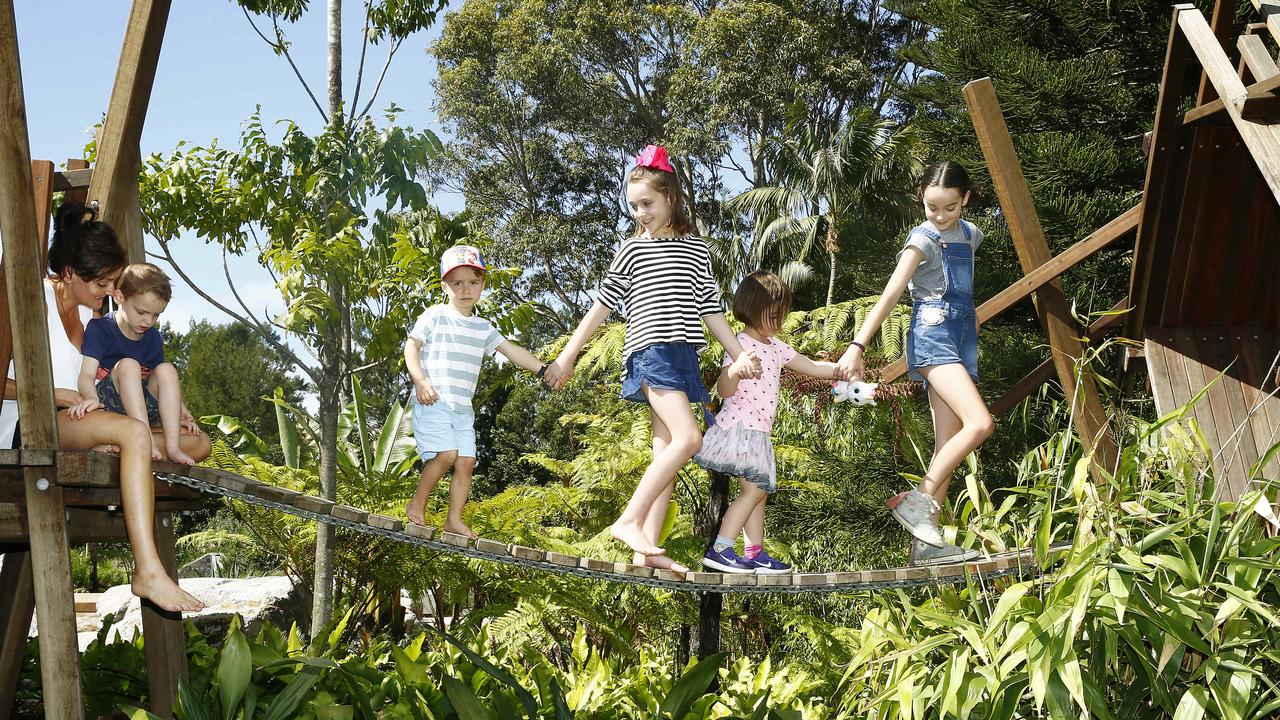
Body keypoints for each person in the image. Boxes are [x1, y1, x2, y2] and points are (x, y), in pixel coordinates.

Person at [545, 145, 762, 573]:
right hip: (651, 353)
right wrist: (568, 356)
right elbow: (600, 308)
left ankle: (646, 551)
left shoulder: (695, 250)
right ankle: (628, 521)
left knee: (666, 450)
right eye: (634, 206)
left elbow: (711, 312)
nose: (640, 212)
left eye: (647, 203)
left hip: (683, 358)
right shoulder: (631, 251)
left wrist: (741, 354)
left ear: (670, 198)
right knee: (690, 438)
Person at [0, 202, 209, 611]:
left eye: (115, 284)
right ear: (68, 274)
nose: (111, 293)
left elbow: (128, 378)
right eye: (103, 285)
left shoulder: (98, 318)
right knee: (132, 432)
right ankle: (147, 571)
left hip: (90, 422)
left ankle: (121, 446)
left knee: (197, 443)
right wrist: (57, 395)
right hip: (34, 426)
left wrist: (174, 408)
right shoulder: (25, 300)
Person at [836, 161, 993, 566]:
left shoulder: (971, 235)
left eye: (950, 208)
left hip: (961, 338)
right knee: (980, 424)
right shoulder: (921, 239)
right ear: (920, 200)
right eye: (931, 207)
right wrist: (858, 344)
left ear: (966, 199)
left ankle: (926, 546)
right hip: (932, 335)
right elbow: (889, 295)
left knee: (948, 446)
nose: (940, 216)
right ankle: (918, 501)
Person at [696, 272, 842, 574]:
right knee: (752, 492)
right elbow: (724, 390)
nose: (778, 322)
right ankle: (722, 547)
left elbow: (812, 367)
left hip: (758, 432)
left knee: (758, 494)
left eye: (781, 315)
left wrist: (842, 370)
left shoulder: (776, 347)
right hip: (741, 429)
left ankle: (754, 552)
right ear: (752, 307)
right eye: (773, 315)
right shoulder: (740, 344)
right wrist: (735, 370)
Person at [404, 245, 551, 539]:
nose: (466, 289)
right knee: (446, 454)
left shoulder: (483, 328)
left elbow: (512, 352)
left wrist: (544, 370)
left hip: (463, 409)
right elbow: (412, 347)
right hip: (433, 401)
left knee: (467, 461)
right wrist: (420, 381)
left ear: (482, 284)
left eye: (473, 282)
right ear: (445, 286)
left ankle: (453, 519)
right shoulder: (435, 316)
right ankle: (417, 502)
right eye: (457, 283)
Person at [74, 263, 198, 465]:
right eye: (142, 312)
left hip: (140, 407)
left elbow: (162, 381)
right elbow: (86, 375)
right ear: (119, 297)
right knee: (129, 365)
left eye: (156, 315)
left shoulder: (154, 337)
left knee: (167, 369)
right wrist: (91, 399)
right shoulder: (101, 328)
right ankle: (145, 440)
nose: (148, 321)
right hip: (108, 406)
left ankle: (173, 447)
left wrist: (181, 411)